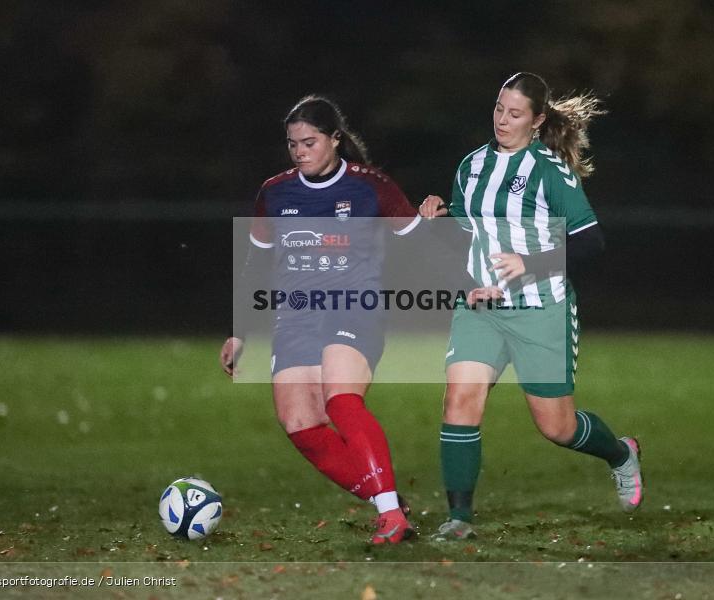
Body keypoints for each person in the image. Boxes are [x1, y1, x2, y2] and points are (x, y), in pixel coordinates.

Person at [418, 72, 644, 541]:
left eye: (515, 113)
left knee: (557, 427)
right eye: (499, 108)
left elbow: (591, 242)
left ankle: (620, 454)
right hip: (479, 306)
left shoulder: (549, 171)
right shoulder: (472, 165)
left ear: (537, 121)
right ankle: (459, 518)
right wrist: (439, 217)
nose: (503, 119)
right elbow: (468, 227)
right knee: (460, 400)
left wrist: (530, 263)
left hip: (542, 310)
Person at [220, 95, 421, 544]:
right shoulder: (275, 192)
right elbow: (256, 265)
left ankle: (391, 515)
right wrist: (239, 331)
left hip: (354, 306)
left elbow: (422, 241)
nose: (300, 151)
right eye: (293, 144)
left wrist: (468, 282)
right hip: (294, 317)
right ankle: (386, 499)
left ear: (335, 139)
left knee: (341, 400)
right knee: (300, 424)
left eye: (309, 142)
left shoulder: (371, 186)